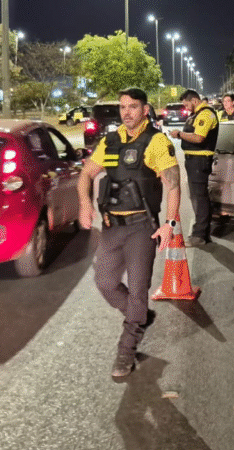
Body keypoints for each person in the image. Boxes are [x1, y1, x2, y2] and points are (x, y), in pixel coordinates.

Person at [77, 88, 181, 380]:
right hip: (111, 227)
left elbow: (173, 185)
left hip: (141, 228)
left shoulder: (156, 142)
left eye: (133, 107)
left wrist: (169, 224)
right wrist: (85, 204)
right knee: (105, 282)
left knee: (138, 291)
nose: (126, 112)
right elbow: (86, 173)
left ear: (145, 109)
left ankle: (127, 349)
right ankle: (140, 317)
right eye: (122, 107)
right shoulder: (110, 141)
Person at [169, 88, 219, 246]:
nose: (186, 108)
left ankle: (199, 235)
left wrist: (179, 134)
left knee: (199, 197)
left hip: (200, 160)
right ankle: (202, 232)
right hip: (193, 160)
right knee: (196, 197)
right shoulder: (196, 114)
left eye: (186, 104)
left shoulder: (205, 114)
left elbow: (199, 137)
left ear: (194, 100)